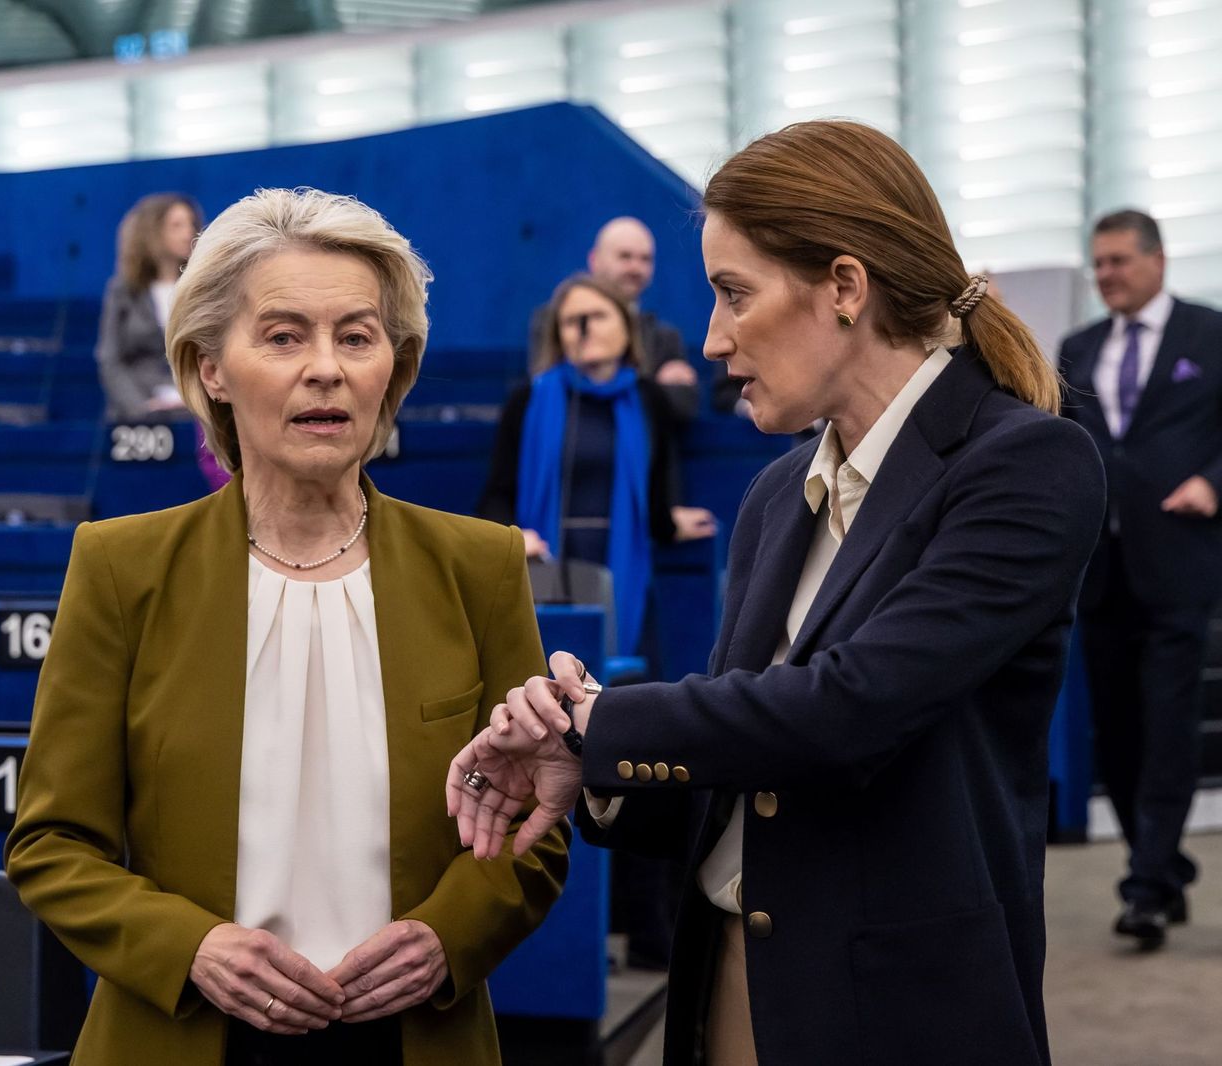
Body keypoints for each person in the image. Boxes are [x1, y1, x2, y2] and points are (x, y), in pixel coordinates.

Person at [448, 120, 1106, 1066]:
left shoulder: (1027, 465)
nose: (713, 339)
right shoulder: (776, 494)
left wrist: (601, 723)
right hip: (730, 987)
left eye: (732, 294)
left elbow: (850, 711)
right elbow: (751, 771)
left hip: (898, 1016)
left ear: (844, 286)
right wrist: (589, 771)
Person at [6, 187, 569, 1065]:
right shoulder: (120, 567)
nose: (326, 368)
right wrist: (189, 947)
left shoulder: (480, 565)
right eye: (283, 335)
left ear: (395, 368)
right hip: (184, 1034)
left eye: (356, 336)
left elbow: (536, 824)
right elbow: (51, 844)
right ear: (211, 369)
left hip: (415, 1038)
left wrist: (447, 937)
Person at [1057, 209, 1222, 949]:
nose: (1107, 276)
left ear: (1156, 261)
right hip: (1101, 569)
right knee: (1116, 730)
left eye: (1119, 261)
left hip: (1179, 560)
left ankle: (1147, 887)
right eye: (1099, 264)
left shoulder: (1209, 335)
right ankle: (1159, 862)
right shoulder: (1077, 347)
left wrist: (1213, 484)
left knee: (1168, 725)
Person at [482, 273, 716, 658]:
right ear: (558, 335)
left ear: (626, 326)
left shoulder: (647, 399)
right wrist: (514, 536)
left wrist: (670, 523)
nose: (584, 328)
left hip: (623, 564)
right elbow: (495, 495)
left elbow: (656, 491)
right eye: (572, 321)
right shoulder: (529, 399)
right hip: (549, 563)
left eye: (598, 315)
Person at [528, 218, 699, 390]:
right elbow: (543, 381)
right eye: (625, 256)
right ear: (594, 260)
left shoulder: (665, 339)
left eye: (645, 259)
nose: (635, 268)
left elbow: (682, 405)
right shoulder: (554, 319)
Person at [96, 192, 203, 422]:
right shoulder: (123, 290)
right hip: (139, 412)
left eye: (191, 224)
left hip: (193, 408)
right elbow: (110, 359)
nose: (188, 233)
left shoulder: (200, 287)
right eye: (177, 225)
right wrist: (140, 408)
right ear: (153, 232)